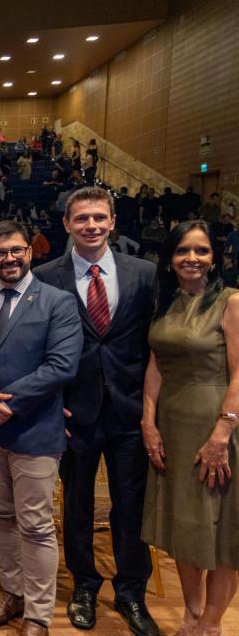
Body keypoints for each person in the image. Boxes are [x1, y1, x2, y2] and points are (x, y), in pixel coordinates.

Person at [34, 187, 160, 635]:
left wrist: (151, 412)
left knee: (131, 507)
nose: (91, 225)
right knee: (78, 507)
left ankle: (131, 593)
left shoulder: (144, 274)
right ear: (67, 224)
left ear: (112, 222)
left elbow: (155, 346)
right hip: (74, 412)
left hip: (129, 412)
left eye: (99, 218)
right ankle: (84, 586)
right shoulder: (47, 276)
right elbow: (38, 349)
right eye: (82, 218)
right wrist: (52, 407)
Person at [0, 220, 83, 636]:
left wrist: (4, 404)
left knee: (35, 523)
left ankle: (38, 613)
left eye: (16, 250)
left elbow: (62, 366)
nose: (9, 258)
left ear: (30, 252)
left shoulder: (58, 302)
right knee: (0, 516)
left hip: (34, 429)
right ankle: (12, 593)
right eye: (0, 253)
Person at [142, 219, 239, 636]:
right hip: (172, 426)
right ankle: (192, 612)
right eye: (183, 251)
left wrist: (222, 433)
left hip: (216, 424)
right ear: (170, 258)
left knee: (220, 530)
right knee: (183, 523)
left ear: (215, 257)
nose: (192, 258)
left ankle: (211, 625)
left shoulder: (232, 302)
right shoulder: (166, 301)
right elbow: (155, 366)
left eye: (201, 250)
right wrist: (148, 420)